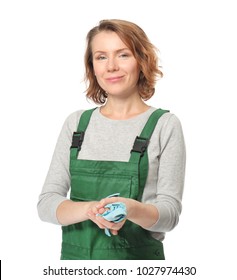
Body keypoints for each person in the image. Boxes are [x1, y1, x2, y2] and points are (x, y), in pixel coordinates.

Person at [37, 19, 186, 260]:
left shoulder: (164, 125)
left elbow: (169, 215)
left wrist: (131, 209)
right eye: (101, 57)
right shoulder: (76, 125)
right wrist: (89, 209)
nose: (112, 66)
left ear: (142, 60)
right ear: (92, 67)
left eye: (123, 55)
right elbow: (46, 204)